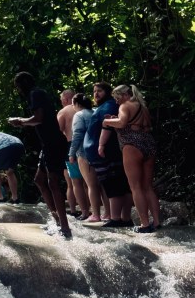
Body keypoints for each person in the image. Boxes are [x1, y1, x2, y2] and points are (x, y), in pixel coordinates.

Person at [10, 72, 72, 239]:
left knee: (53, 183)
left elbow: (38, 118)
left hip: (53, 143)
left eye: (18, 87)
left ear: (23, 84)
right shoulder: (37, 93)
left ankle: (65, 228)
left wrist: (20, 121)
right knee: (39, 180)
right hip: (48, 144)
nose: (18, 90)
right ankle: (57, 220)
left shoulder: (35, 94)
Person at [101, 84, 161, 233]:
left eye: (117, 98)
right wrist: (117, 120)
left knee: (135, 187)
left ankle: (144, 224)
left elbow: (122, 123)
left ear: (125, 95)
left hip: (132, 145)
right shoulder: (142, 107)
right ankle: (157, 222)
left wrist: (107, 122)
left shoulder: (125, 105)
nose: (116, 102)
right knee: (148, 186)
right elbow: (132, 124)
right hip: (149, 143)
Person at [81, 81, 116, 222]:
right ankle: (110, 215)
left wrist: (101, 145)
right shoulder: (102, 107)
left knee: (109, 184)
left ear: (107, 92)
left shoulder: (109, 106)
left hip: (103, 152)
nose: (96, 94)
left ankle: (113, 216)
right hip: (97, 152)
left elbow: (108, 127)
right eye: (94, 91)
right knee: (104, 184)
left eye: (99, 91)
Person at [67, 94, 93, 220]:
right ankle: (106, 213)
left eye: (73, 104)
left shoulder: (79, 115)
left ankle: (87, 213)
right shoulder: (95, 112)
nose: (72, 107)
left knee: (85, 183)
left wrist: (71, 153)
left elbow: (77, 135)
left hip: (83, 151)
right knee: (99, 185)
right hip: (96, 150)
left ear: (77, 104)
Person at [57, 89, 80, 216]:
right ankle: (92, 209)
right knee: (89, 182)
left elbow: (57, 132)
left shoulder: (64, 111)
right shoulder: (84, 109)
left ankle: (73, 210)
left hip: (70, 145)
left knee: (71, 183)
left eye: (61, 100)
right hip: (84, 145)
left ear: (65, 99)